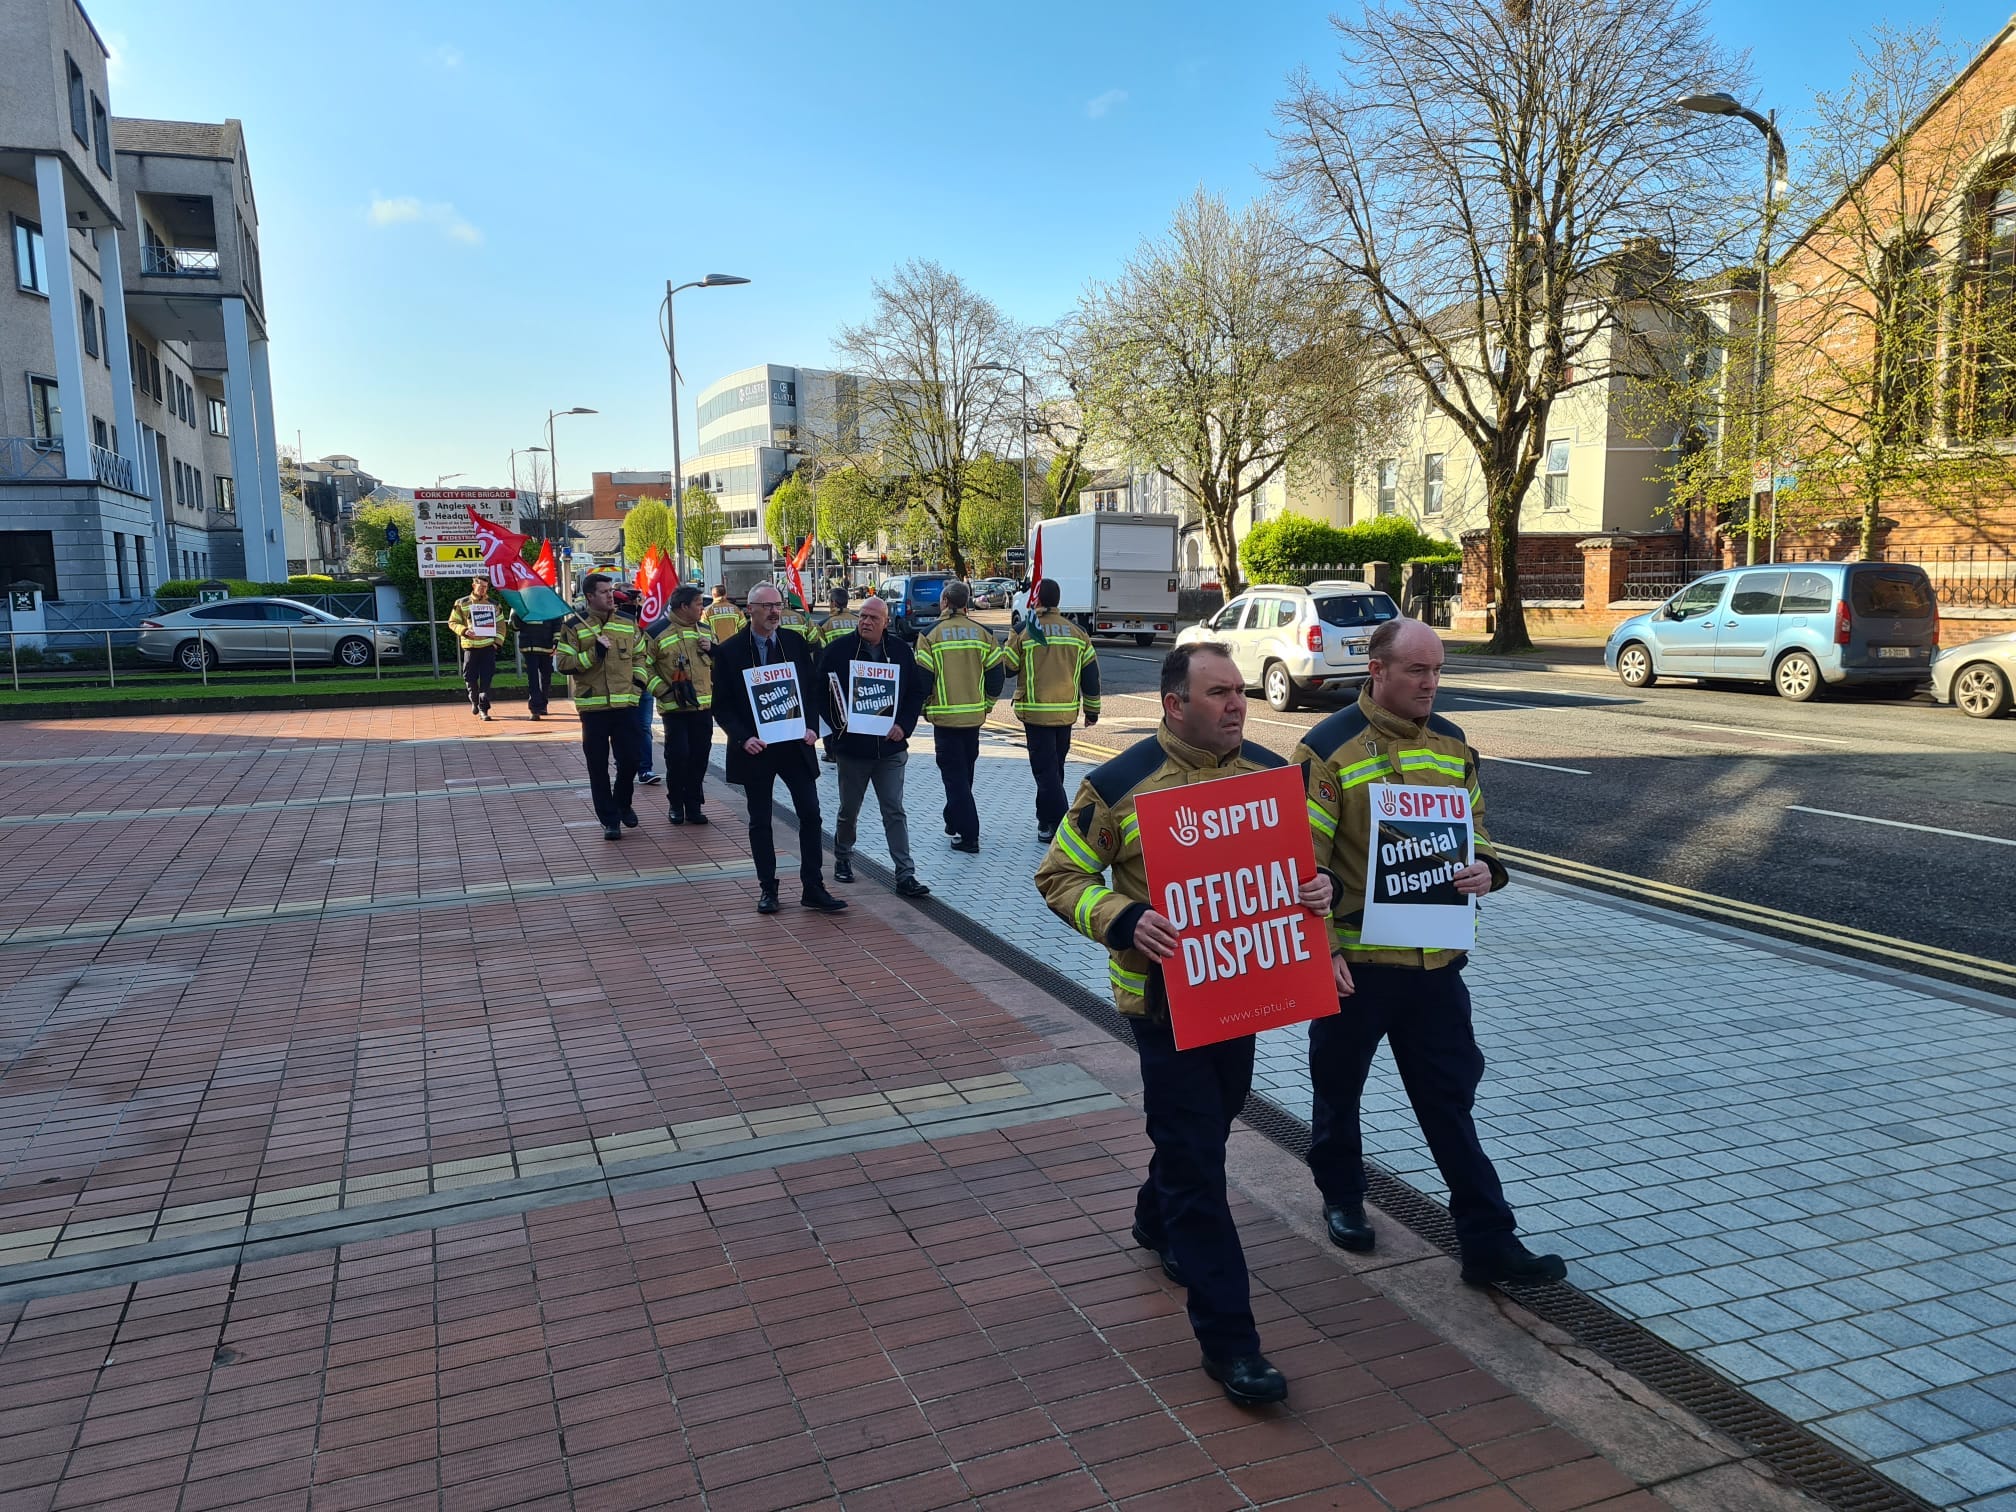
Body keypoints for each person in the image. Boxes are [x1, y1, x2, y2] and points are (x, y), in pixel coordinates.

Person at [1034, 642, 1333, 1407]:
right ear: (1175, 704)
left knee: (1207, 1129)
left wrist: (1318, 893)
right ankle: (1232, 1345)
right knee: (1200, 1163)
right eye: (1219, 693)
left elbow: (1302, 873)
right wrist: (1123, 917)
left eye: (1240, 692)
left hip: (1245, 996)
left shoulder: (1273, 777)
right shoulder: (1117, 785)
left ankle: (1151, 1218)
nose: (1238, 705)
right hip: (1162, 1009)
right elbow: (1058, 876)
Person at [1295, 618, 1566, 1289]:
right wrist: (1321, 951)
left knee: (1450, 1101)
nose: (1430, 684)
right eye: (1417, 671)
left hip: (1436, 965)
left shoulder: (1452, 743)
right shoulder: (1326, 748)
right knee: (1339, 1092)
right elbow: (1303, 863)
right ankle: (1342, 1197)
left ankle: (1489, 1241)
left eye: (1438, 671)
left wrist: (1487, 871)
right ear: (1376, 670)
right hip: (1357, 965)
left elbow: (1477, 832)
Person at [710, 582, 848, 916]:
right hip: (757, 749)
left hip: (794, 745)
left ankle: (813, 887)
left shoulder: (794, 642)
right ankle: (768, 889)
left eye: (779, 605)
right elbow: (722, 706)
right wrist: (744, 738)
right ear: (750, 610)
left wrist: (813, 725)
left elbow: (812, 689)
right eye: (767, 606)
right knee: (760, 820)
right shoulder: (729, 651)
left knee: (811, 814)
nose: (775, 612)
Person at [818, 595, 931, 898]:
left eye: (873, 618)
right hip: (853, 750)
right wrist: (836, 732)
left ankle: (905, 874)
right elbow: (820, 692)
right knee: (849, 810)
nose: (866, 622)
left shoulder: (900, 652)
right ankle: (842, 857)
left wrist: (903, 726)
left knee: (894, 810)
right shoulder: (838, 651)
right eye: (862, 616)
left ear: (886, 623)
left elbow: (915, 692)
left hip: (890, 749)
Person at [554, 573, 650, 841]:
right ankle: (610, 820)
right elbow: (563, 663)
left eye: (611, 590)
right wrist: (593, 653)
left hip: (626, 705)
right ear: (589, 597)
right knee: (597, 767)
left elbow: (642, 655)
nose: (611, 596)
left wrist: (637, 686)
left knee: (631, 760)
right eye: (604, 592)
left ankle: (622, 802)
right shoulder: (574, 626)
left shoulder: (628, 622)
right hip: (593, 708)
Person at [1002, 579, 1100, 842]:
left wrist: (1010, 643)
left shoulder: (1025, 630)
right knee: (1055, 768)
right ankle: (1044, 823)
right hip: (1066, 712)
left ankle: (1060, 823)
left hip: (1036, 712)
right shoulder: (1077, 632)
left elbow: (1008, 669)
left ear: (1037, 599)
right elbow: (1090, 676)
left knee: (1045, 772)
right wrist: (1092, 711)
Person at [913, 580, 1004, 854]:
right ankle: (953, 820)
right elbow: (996, 677)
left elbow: (922, 680)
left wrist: (922, 709)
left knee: (954, 780)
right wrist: (986, 705)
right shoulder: (984, 634)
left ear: (944, 602)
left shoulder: (930, 635)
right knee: (964, 775)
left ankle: (969, 836)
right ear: (966, 603)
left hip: (945, 720)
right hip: (973, 718)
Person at [644, 584, 714, 826]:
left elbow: (719, 663)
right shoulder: (656, 633)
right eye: (697, 604)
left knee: (699, 758)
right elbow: (643, 667)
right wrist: (662, 691)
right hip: (674, 710)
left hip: (703, 708)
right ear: (684, 607)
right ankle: (676, 804)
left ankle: (694, 806)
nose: (702, 609)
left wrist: (713, 650)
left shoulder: (705, 630)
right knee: (678, 757)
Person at [614, 587, 662, 787]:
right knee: (621, 729)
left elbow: (644, 656)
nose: (632, 604)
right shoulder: (613, 625)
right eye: (627, 600)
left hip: (642, 687)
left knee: (643, 728)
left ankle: (645, 769)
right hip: (621, 689)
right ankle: (624, 767)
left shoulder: (643, 622)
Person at [447, 577, 512, 720]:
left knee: (486, 678)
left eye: (486, 587)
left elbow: (501, 626)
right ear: (473, 585)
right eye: (480, 586)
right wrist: (464, 630)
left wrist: (496, 643)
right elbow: (452, 622)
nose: (483, 589)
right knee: (469, 677)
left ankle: (484, 709)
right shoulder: (461, 603)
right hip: (470, 648)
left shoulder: (494, 604)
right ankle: (474, 700)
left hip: (488, 647)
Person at [817, 585, 861, 763]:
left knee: (832, 715)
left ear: (833, 603)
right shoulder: (859, 621)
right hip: (857, 675)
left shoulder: (824, 624)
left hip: (833, 678)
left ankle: (831, 752)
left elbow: (820, 653)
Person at [517, 612, 561, 719]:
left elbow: (557, 623)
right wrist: (515, 614)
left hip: (546, 646)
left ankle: (543, 704)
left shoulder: (549, 603)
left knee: (546, 676)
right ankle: (535, 709)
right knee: (533, 678)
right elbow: (514, 626)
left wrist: (556, 641)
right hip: (529, 646)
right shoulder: (523, 602)